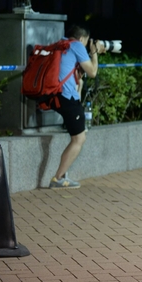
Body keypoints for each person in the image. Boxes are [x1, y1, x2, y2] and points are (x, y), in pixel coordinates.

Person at [49, 25, 101, 189]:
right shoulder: (77, 45)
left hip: (54, 94)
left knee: (76, 136)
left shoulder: (60, 44)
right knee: (79, 139)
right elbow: (92, 72)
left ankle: (61, 176)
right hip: (67, 97)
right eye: (86, 42)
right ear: (82, 39)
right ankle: (58, 178)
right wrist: (94, 53)